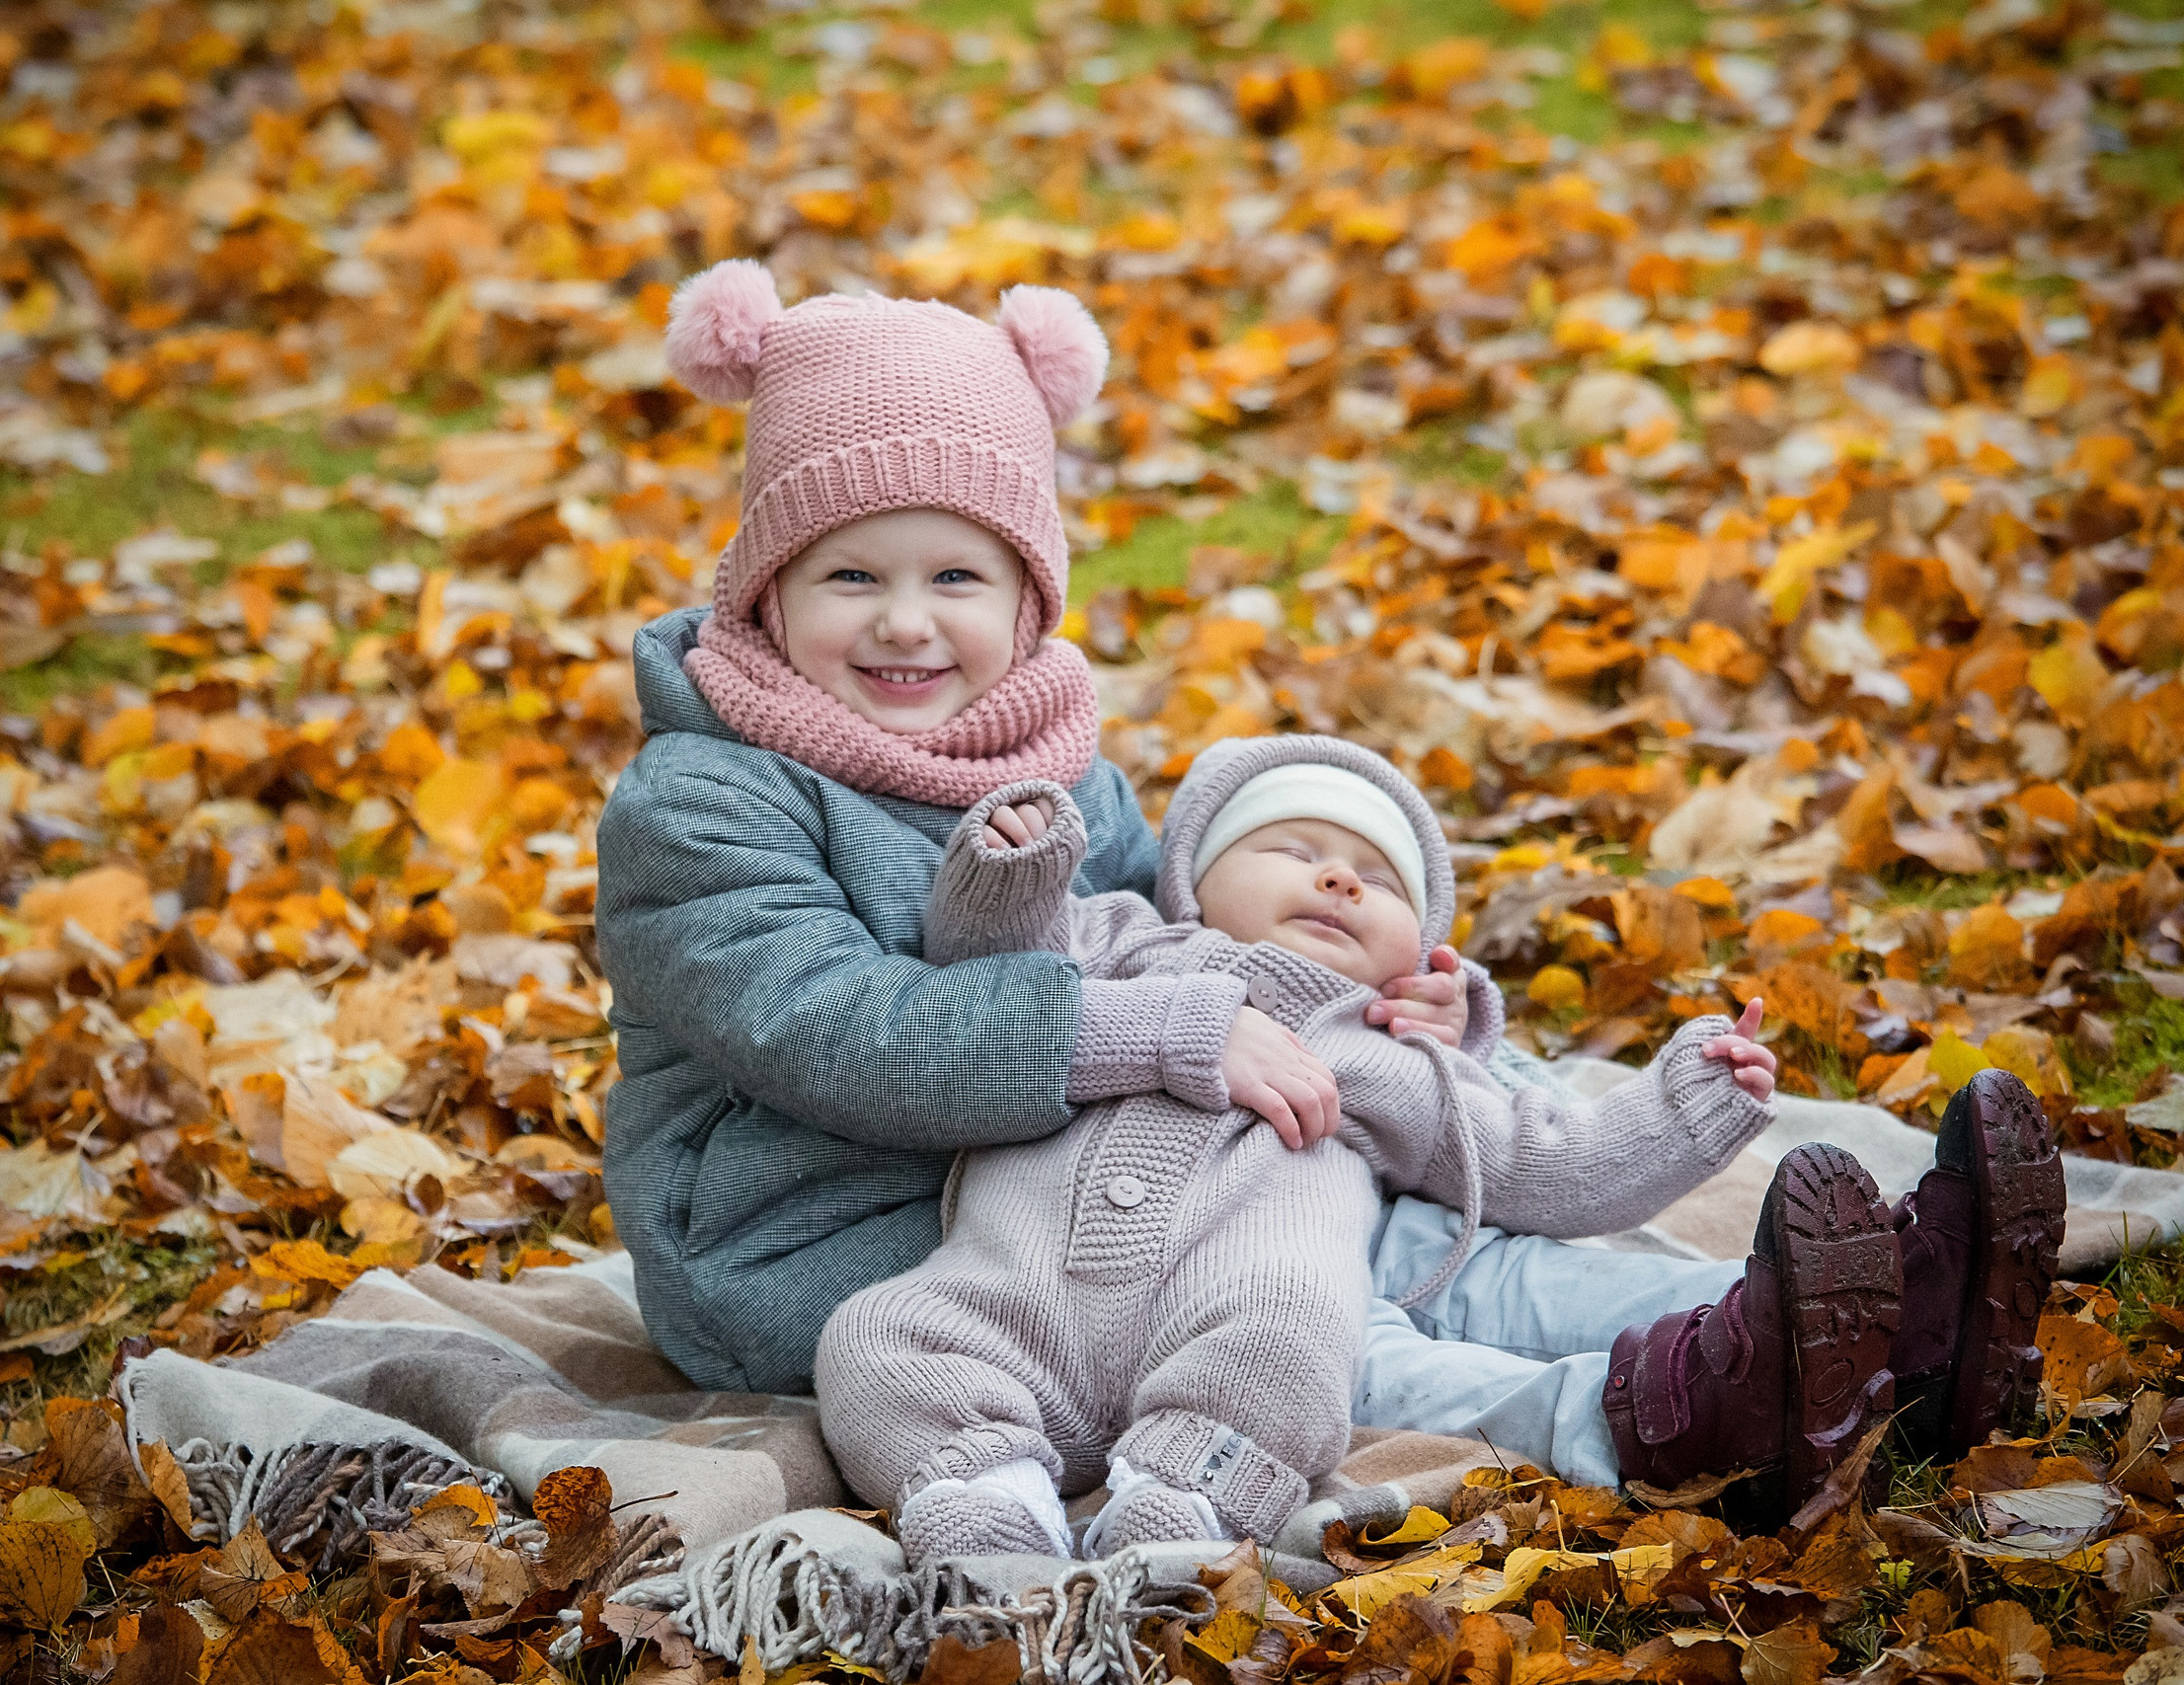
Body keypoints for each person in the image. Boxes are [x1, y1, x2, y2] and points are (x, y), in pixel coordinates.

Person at [593, 264, 1466, 1397]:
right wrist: (1159, 1036)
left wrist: (1371, 986)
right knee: (1269, 1267)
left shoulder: (1051, 761)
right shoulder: (700, 803)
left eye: (956, 575)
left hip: (1048, 1182)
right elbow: (835, 1030)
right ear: (767, 591)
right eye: (850, 575)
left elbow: (1173, 936)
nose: (905, 623)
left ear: (1026, 597)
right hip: (811, 1245)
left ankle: (1670, 1335)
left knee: (1354, 1188)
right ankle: (1598, 1403)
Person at [817, 737, 1786, 1562]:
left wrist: (1689, 1099)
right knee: (874, 1338)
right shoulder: (1116, 943)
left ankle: (1182, 1502)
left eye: (1379, 878)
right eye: (1293, 847)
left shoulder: (1386, 1058)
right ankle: (987, 1498)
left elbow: (1549, 1164)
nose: (1338, 878)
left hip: (1231, 1325)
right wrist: (1013, 872)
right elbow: (994, 976)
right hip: (1011, 1301)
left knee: (1294, 1350)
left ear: (1420, 950)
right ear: (1192, 873)